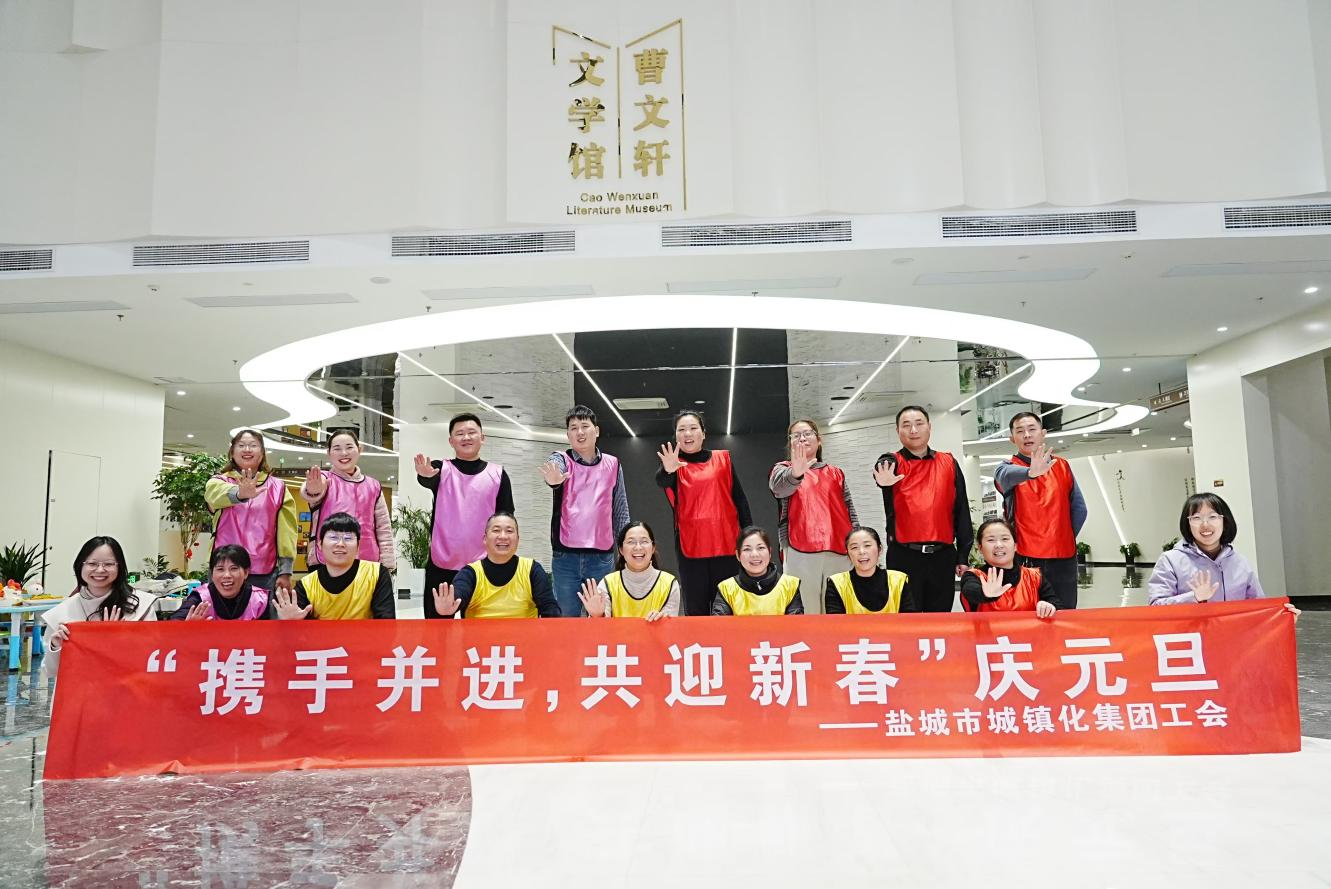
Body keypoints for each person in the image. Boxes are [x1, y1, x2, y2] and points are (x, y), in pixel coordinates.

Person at [873, 405, 973, 613]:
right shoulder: (894, 462)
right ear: (897, 430)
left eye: (919, 424)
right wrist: (882, 474)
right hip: (904, 556)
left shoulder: (949, 462)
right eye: (906, 425)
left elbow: (961, 510)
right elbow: (883, 464)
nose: (913, 430)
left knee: (939, 619)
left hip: (942, 556)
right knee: (906, 620)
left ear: (929, 426)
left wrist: (963, 555)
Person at [414, 413, 515, 619]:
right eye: (459, 434)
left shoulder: (498, 474)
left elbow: (507, 517)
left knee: (481, 629)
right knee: (437, 628)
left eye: (471, 432)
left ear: (482, 438)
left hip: (483, 565)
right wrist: (424, 476)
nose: (466, 437)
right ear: (451, 441)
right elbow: (428, 478)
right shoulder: (442, 469)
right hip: (442, 563)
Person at [656, 410, 752, 616]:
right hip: (690, 546)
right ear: (676, 436)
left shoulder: (722, 459)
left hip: (726, 544)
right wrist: (668, 469)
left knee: (728, 606)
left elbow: (740, 499)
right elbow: (662, 481)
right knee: (696, 609)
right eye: (681, 429)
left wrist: (749, 535)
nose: (687, 433)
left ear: (703, 433)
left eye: (693, 428)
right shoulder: (673, 465)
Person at [1148, 493, 1299, 619]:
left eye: (1213, 517)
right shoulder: (1170, 560)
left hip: (1232, 642)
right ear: (1187, 524)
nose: (1205, 524)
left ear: (1224, 521)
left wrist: (1281, 619)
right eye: (1196, 518)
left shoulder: (1240, 562)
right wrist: (1193, 597)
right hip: (1192, 642)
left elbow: (1257, 609)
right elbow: (1155, 608)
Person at [541, 405, 631, 618]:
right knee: (566, 617)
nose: (579, 432)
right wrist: (553, 479)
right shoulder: (562, 459)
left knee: (602, 616)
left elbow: (620, 510)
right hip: (565, 556)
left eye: (585, 426)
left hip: (602, 557)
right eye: (573, 428)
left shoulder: (613, 464)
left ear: (596, 431)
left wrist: (625, 548)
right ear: (568, 434)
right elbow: (554, 470)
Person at [995, 412, 1087, 609]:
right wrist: (1030, 473)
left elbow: (1080, 509)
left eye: (1032, 429)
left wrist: (1062, 536)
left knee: (1060, 611)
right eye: (1020, 431)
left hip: (1062, 555)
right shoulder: (1007, 468)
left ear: (1043, 433)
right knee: (1033, 611)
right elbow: (1004, 476)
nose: (1027, 435)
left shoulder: (1062, 465)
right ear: (1012, 438)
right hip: (1026, 556)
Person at [769, 418, 857, 615]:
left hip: (839, 549)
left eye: (807, 433)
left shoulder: (836, 473)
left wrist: (857, 542)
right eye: (796, 435)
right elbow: (778, 489)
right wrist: (796, 474)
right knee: (805, 610)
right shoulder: (782, 469)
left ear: (819, 440)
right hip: (799, 549)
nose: (802, 438)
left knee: (839, 610)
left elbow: (849, 509)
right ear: (790, 442)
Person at [41, 536, 159, 676]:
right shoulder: (62, 613)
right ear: (80, 566)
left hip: (127, 686)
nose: (100, 570)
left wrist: (119, 641)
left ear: (119, 567)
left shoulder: (141, 605)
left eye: (108, 564)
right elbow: (50, 671)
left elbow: (153, 659)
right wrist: (55, 646)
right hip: (81, 688)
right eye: (92, 563)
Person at [205, 429, 298, 595]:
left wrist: (285, 571)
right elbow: (213, 497)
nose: (247, 449)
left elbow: (287, 533)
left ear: (262, 453)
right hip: (224, 568)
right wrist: (240, 494)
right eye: (241, 445)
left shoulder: (279, 487)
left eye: (253, 445)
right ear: (232, 452)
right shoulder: (218, 482)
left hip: (264, 571)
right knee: (220, 611)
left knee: (261, 611)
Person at [430, 512, 560, 619]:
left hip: (523, 641)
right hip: (479, 642)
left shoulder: (532, 569)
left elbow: (550, 608)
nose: (503, 536)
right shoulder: (470, 573)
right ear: (485, 539)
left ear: (518, 539)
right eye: (496, 530)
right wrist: (449, 605)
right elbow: (459, 593)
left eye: (509, 531)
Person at [301, 428, 396, 572]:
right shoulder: (325, 479)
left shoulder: (373, 486)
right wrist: (312, 489)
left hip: (367, 561)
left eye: (349, 447)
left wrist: (387, 562)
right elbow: (312, 491)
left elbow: (383, 527)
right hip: (327, 562)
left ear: (359, 449)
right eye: (337, 448)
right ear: (329, 453)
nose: (344, 453)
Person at [274, 513, 395, 620]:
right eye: (333, 537)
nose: (340, 544)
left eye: (348, 538)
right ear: (320, 544)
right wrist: (292, 623)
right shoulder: (306, 585)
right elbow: (300, 633)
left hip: (365, 639)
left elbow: (386, 625)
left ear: (358, 546)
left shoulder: (376, 574)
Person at [577, 521, 680, 620]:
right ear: (621, 549)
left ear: (653, 548)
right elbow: (601, 629)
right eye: (631, 542)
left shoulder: (669, 584)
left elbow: (671, 629)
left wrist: (663, 621)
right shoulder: (607, 584)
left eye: (644, 541)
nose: (638, 547)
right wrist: (598, 615)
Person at [959, 519, 1059, 617]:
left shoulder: (1035, 577)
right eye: (991, 540)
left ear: (1015, 546)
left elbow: (1057, 607)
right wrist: (985, 594)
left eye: (1005, 539)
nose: (999, 545)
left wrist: (1049, 606)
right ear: (980, 548)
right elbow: (970, 591)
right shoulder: (973, 576)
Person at [825, 526, 918, 614]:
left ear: (880, 549)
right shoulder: (837, 583)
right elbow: (835, 622)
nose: (862, 552)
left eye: (867, 545)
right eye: (854, 547)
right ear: (848, 554)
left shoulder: (899, 580)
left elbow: (909, 620)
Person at [167, 544, 275, 621]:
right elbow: (173, 625)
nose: (227, 575)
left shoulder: (260, 600)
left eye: (234, 568)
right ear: (212, 574)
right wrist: (187, 629)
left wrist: (285, 622)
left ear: (246, 573)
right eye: (220, 569)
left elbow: (270, 637)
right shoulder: (201, 597)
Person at [713, 527, 803, 616]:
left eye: (760, 548)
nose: (754, 554)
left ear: (770, 552)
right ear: (738, 555)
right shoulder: (726, 589)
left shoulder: (790, 586)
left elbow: (796, 624)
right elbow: (719, 624)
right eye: (747, 549)